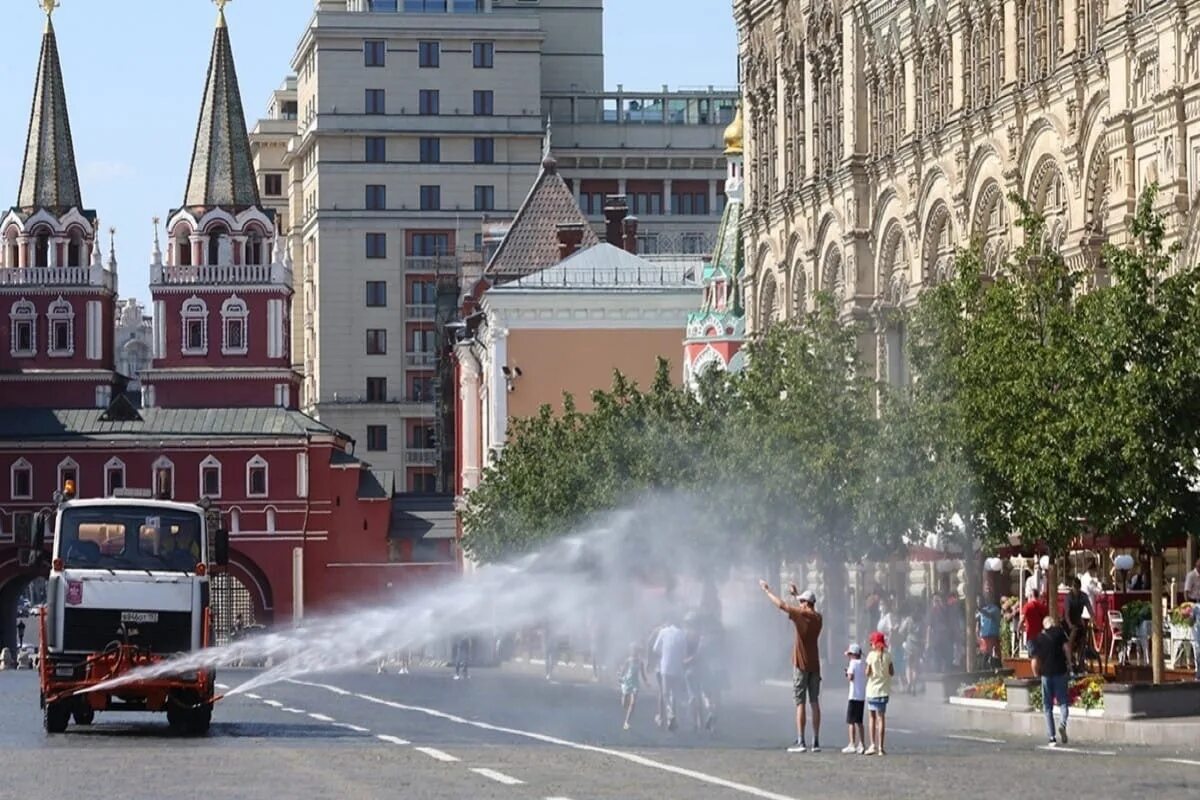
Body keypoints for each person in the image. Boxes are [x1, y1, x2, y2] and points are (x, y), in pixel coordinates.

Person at [759, 579, 823, 753]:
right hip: (815, 665)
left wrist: (767, 590)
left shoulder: (801, 615)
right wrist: (798, 595)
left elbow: (781, 605)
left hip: (801, 664)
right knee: (815, 702)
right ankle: (816, 741)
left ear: (804, 603)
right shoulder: (818, 618)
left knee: (800, 702)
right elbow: (806, 610)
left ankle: (801, 741)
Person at [1031, 616, 1071, 747]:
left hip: (1046, 674)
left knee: (1047, 706)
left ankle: (1052, 737)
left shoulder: (1039, 638)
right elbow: (1067, 648)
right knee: (1063, 702)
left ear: (1044, 626)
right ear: (1053, 624)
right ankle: (1063, 724)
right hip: (1060, 671)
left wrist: (1036, 674)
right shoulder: (1060, 632)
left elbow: (1035, 660)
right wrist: (1070, 663)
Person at [652, 617, 689, 732]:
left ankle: (670, 715)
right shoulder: (682, 634)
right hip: (677, 668)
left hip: (666, 667)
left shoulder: (663, 632)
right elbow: (684, 653)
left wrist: (665, 653)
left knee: (665, 693)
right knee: (674, 694)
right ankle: (671, 720)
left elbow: (655, 649)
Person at [864, 630, 894, 756]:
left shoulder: (871, 656)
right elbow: (892, 672)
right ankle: (881, 747)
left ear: (874, 643)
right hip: (884, 691)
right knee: (881, 719)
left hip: (872, 690)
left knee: (872, 718)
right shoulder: (888, 655)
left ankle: (872, 745)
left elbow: (867, 673)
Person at [842, 643, 866, 754]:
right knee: (859, 722)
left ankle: (852, 743)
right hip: (861, 696)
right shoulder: (863, 663)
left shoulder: (852, 663)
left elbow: (851, 677)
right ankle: (862, 744)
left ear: (853, 654)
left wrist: (847, 673)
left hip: (853, 696)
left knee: (851, 721)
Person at [619, 642, 648, 731]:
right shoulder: (628, 661)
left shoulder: (640, 662)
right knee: (624, 704)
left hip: (635, 683)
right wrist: (620, 677)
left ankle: (626, 722)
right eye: (633, 651)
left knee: (633, 702)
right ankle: (629, 712)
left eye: (636, 651)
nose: (634, 653)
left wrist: (646, 682)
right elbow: (624, 670)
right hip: (627, 682)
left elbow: (643, 674)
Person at [1065, 577, 1092, 673]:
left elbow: (1090, 609)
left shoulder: (1083, 596)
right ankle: (1070, 660)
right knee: (1071, 638)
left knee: (1083, 639)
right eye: (1075, 587)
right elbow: (1066, 614)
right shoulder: (1068, 597)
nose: (1076, 590)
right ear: (1072, 587)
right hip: (1068, 622)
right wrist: (1070, 625)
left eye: (1078, 588)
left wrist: (1094, 620)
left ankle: (1081, 662)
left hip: (1078, 621)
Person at [1021, 588, 1048, 655]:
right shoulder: (1043, 607)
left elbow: (1022, 619)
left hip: (1031, 635)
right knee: (1040, 655)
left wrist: (1019, 629)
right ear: (1038, 596)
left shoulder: (1027, 606)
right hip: (1041, 635)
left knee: (1033, 656)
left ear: (1031, 596)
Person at [976, 596, 1001, 664]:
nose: (979, 603)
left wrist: (979, 609)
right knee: (984, 654)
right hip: (984, 637)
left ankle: (993, 668)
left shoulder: (995, 609)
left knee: (990, 655)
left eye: (980, 601)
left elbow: (989, 615)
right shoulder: (983, 610)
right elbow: (977, 620)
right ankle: (983, 668)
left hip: (991, 636)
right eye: (978, 602)